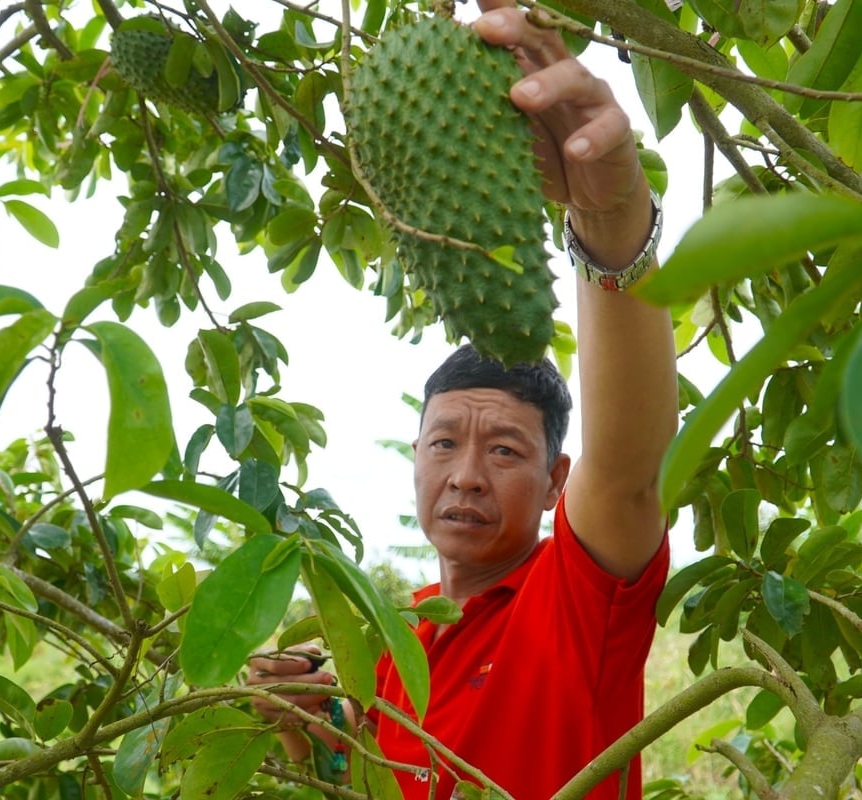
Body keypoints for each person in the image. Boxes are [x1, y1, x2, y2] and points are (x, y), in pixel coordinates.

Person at [248, 0, 678, 797]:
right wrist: (303, 729)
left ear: (557, 483)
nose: (467, 474)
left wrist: (611, 214)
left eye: (506, 449)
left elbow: (630, 468)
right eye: (444, 442)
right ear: (414, 457)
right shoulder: (390, 639)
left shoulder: (577, 608)